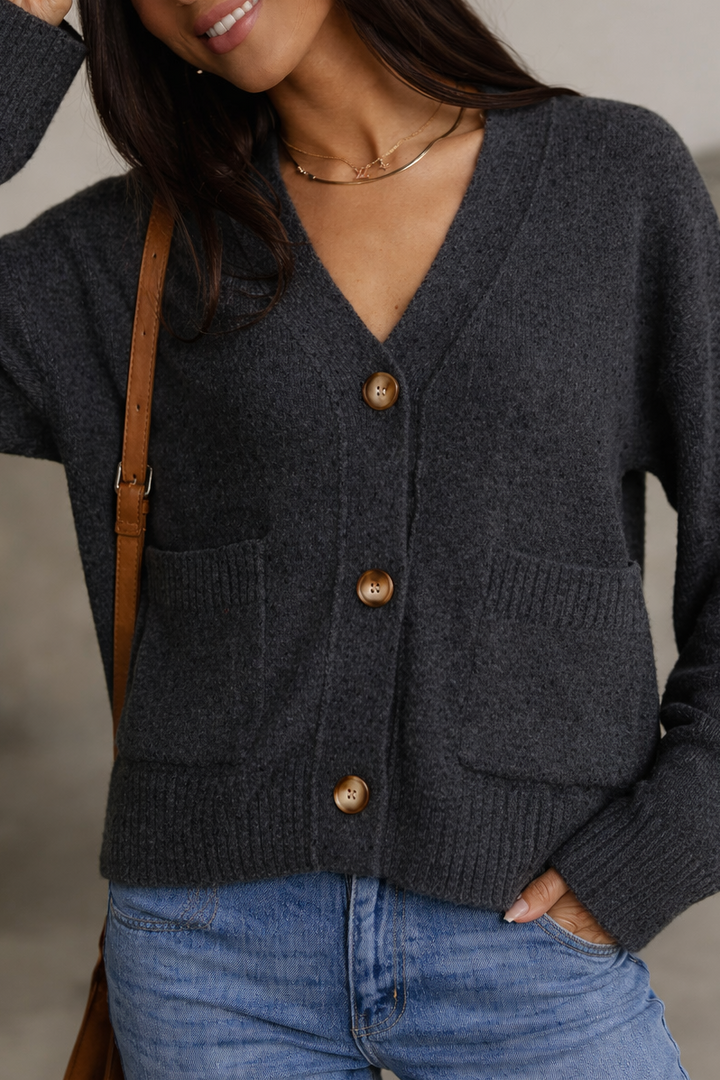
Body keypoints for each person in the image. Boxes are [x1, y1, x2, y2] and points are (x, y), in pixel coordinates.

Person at [1, 0, 717, 1074]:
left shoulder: (613, 183)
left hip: (532, 945)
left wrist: (663, 849)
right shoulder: (129, 257)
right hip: (213, 966)